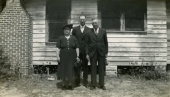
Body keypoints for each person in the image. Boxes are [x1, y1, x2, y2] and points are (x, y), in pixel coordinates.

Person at [85, 19, 108, 90]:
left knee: (101, 68)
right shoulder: (89, 32)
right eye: (93, 23)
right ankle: (93, 84)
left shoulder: (103, 31)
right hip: (92, 52)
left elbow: (105, 43)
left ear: (98, 23)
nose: (95, 24)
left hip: (101, 52)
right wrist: (87, 54)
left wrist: (106, 52)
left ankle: (101, 84)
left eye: (96, 23)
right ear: (92, 24)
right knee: (93, 69)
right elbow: (86, 44)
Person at [56, 24, 80, 90]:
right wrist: (58, 56)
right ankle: (63, 84)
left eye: (68, 30)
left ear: (70, 31)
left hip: (72, 56)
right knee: (63, 69)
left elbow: (77, 47)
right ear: (63, 31)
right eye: (65, 30)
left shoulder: (74, 38)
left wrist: (77, 56)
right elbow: (57, 48)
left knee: (70, 69)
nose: (67, 31)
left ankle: (69, 84)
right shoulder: (61, 38)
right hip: (63, 56)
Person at [72, 15, 90, 87]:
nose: (82, 21)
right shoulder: (75, 29)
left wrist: (88, 52)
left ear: (85, 20)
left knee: (85, 66)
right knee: (77, 66)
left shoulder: (89, 29)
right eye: (81, 19)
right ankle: (77, 82)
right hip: (77, 51)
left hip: (85, 51)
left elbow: (89, 41)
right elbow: (73, 39)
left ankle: (85, 82)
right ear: (79, 20)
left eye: (83, 19)